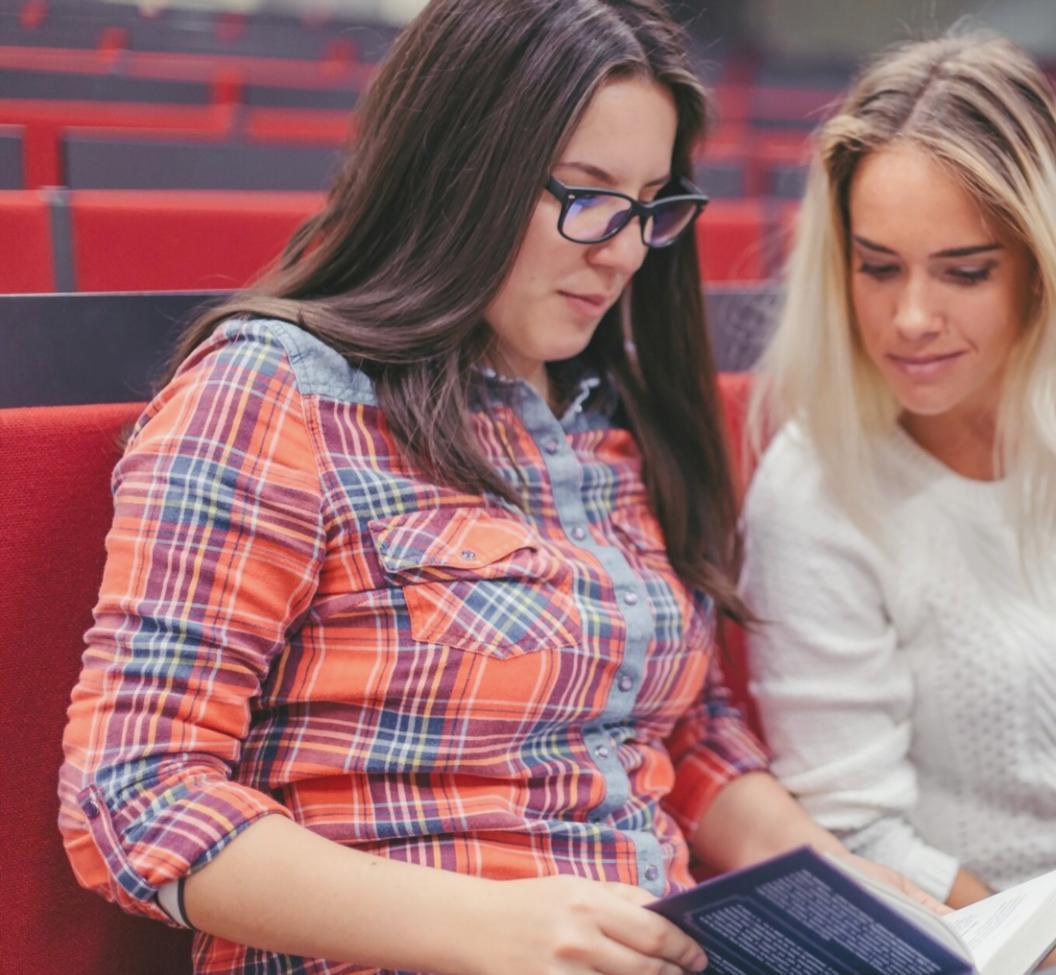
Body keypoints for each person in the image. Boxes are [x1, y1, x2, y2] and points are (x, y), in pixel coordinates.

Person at [57, 2, 927, 972]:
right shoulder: (276, 393)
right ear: (460, 172)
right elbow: (133, 797)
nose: (623, 251)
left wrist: (850, 892)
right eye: (588, 196)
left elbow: (687, 738)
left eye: (649, 206)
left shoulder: (613, 415)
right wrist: (489, 926)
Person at [738, 33, 1056, 953]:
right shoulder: (812, 490)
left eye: (963, 271)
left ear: (1040, 269)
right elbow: (861, 831)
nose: (910, 318)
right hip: (955, 938)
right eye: (877, 266)